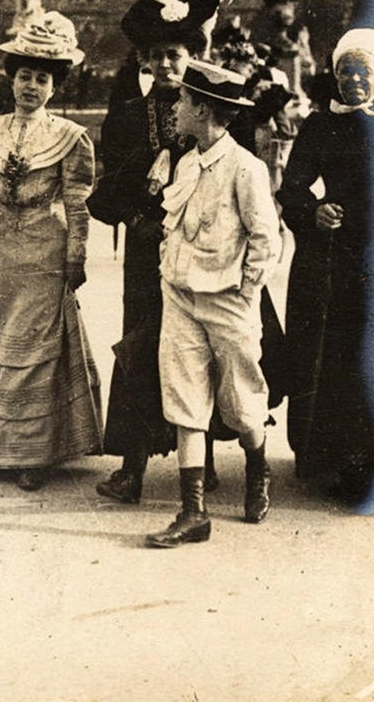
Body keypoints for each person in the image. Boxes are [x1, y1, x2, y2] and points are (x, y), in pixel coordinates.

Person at [88, 0, 221, 504]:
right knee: (141, 349)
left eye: (176, 54)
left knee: (200, 348)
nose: (167, 64)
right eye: (157, 55)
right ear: (144, 59)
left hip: (201, 251)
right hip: (147, 250)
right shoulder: (124, 117)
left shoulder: (211, 114)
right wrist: (140, 203)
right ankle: (133, 466)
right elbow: (110, 187)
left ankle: (204, 458)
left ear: (191, 57)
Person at [0, 11, 101, 491]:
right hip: (3, 249)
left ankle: (33, 454)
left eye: (41, 78)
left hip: (45, 247)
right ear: (10, 79)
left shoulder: (69, 138)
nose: (30, 86)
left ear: (54, 86)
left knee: (36, 350)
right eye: (23, 76)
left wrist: (76, 257)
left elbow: (77, 205)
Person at [146, 60, 281, 547]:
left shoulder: (246, 168)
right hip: (180, 296)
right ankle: (193, 511)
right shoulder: (185, 162)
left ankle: (257, 469)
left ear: (202, 110)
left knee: (243, 402)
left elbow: (267, 238)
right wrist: (169, 269)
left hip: (228, 301)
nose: (175, 108)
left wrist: (246, 291)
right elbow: (174, 224)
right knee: (184, 399)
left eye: (182, 102)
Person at [276, 28, 374, 505]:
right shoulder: (323, 126)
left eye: (363, 70)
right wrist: (313, 212)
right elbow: (291, 189)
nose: (353, 79)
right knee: (345, 362)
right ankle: (347, 467)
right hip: (340, 261)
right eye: (344, 70)